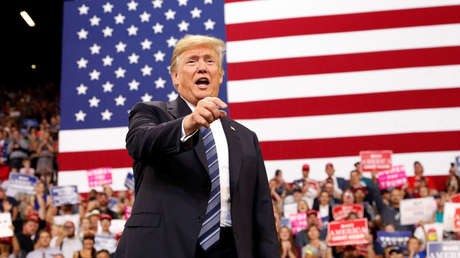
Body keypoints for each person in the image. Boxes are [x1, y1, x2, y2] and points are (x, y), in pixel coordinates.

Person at [115, 34, 279, 258]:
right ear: (175, 77)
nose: (202, 67)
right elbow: (139, 143)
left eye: (210, 61)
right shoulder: (151, 112)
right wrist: (188, 123)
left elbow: (262, 212)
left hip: (230, 249)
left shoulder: (246, 137)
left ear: (220, 76)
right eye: (192, 61)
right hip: (163, 246)